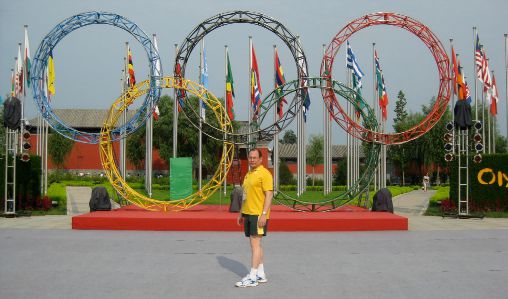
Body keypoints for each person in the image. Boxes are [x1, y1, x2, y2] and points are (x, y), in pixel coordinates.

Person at [235, 148, 273, 288]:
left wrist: (264, 214)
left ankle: (252, 277)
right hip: (248, 213)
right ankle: (261, 274)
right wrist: (241, 213)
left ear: (260, 159)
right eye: (250, 157)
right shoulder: (248, 174)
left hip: (258, 214)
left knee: (255, 244)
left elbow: (269, 195)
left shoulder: (265, 174)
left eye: (254, 157)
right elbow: (245, 196)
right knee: (255, 244)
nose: (251, 160)